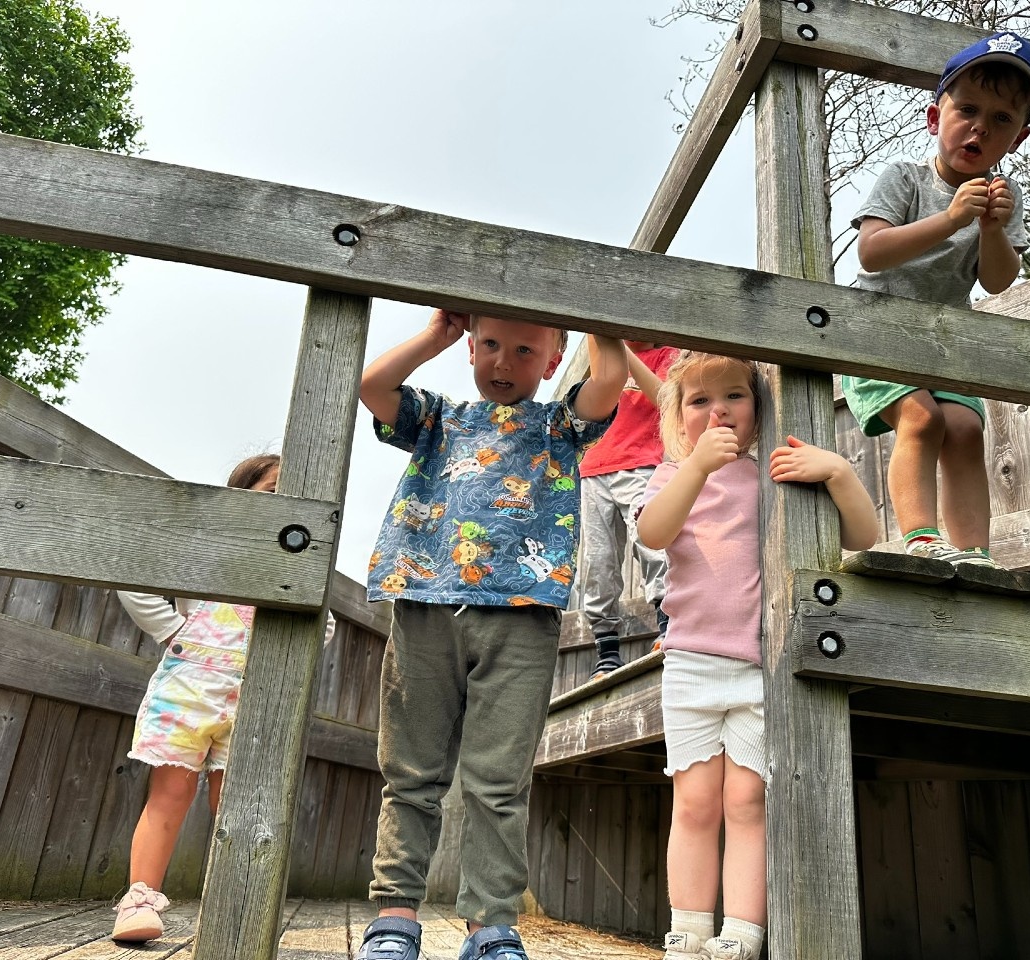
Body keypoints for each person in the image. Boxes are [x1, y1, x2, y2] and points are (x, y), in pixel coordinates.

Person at [355, 309, 625, 960]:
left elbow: (611, 376)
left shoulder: (559, 425)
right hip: (425, 597)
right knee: (411, 773)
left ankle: (490, 926)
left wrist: (597, 316)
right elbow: (372, 386)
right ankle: (394, 918)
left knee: (498, 780)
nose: (504, 363)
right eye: (492, 346)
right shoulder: (438, 417)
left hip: (522, 614)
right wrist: (435, 337)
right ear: (471, 345)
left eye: (526, 350)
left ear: (555, 360)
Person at [637, 353, 877, 960]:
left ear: (759, 408)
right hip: (691, 661)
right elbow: (652, 533)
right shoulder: (674, 474)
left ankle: (741, 935)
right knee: (693, 803)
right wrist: (695, 467)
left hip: (759, 667)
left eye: (734, 397)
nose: (717, 411)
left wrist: (840, 473)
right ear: (680, 418)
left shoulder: (776, 475)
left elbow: (862, 536)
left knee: (747, 801)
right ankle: (687, 932)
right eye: (699, 402)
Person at [842, 30, 1030, 569]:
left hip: (946, 340)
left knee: (965, 427)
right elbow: (872, 253)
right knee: (923, 419)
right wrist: (952, 217)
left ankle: (975, 553)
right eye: (968, 109)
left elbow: (998, 280)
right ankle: (921, 538)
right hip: (877, 328)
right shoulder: (905, 179)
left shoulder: (1005, 197)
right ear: (937, 118)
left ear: (1017, 138)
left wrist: (992, 229)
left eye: (1002, 119)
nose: (981, 125)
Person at [111, 454, 335, 942]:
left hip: (253, 700)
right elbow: (134, 578)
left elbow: (326, 623)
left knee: (235, 807)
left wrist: (284, 660)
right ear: (240, 495)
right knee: (168, 796)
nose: (280, 502)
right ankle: (139, 902)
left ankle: (237, 907)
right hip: (187, 691)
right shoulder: (210, 547)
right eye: (271, 490)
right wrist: (173, 629)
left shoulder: (296, 563)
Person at [579, 340, 678, 680]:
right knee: (597, 562)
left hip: (640, 464)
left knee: (652, 543)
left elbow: (669, 402)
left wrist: (626, 354)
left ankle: (668, 625)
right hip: (592, 469)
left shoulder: (667, 355)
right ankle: (606, 651)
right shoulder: (601, 353)